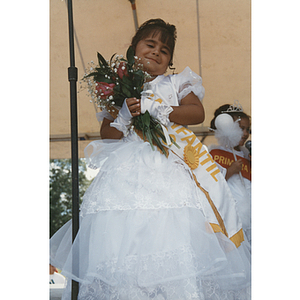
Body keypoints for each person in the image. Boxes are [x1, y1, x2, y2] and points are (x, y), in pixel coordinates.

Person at [50, 19, 250, 299]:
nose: (157, 52)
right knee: (123, 229)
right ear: (134, 50)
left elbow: (196, 114)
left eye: (165, 50)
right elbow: (108, 133)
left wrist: (158, 107)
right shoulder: (117, 87)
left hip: (167, 164)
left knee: (170, 226)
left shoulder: (177, 82)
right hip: (126, 170)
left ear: (169, 61)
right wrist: (122, 115)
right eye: (150, 44)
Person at [209, 102, 251, 245]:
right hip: (231, 216)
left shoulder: (247, 155)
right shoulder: (213, 154)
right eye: (241, 128)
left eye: (248, 130)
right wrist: (230, 170)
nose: (245, 134)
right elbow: (211, 185)